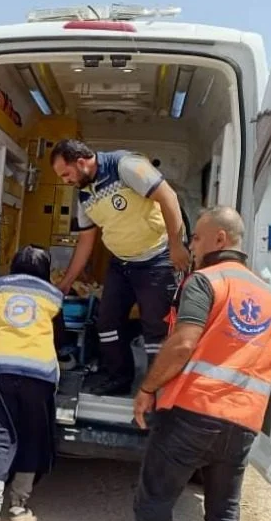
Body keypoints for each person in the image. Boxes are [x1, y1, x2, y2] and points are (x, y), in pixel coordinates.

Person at [103, 206, 271, 521]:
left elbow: (183, 344)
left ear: (220, 239)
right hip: (243, 421)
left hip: (194, 412)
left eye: (197, 238)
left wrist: (148, 388)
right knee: (224, 513)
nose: (192, 246)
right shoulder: (270, 297)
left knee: (154, 501)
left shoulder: (206, 282)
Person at [49, 140, 191, 395]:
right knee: (107, 322)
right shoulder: (84, 195)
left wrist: (176, 244)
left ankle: (156, 390)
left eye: (66, 174)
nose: (65, 181)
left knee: (156, 328)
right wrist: (66, 282)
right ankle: (119, 378)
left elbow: (168, 196)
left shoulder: (125, 166)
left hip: (156, 259)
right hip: (121, 263)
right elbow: (86, 241)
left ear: (81, 163)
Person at [0, 245, 63, 521]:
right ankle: (18, 504)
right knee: (32, 435)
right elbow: (59, 337)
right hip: (39, 374)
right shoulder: (53, 296)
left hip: (0, 369)